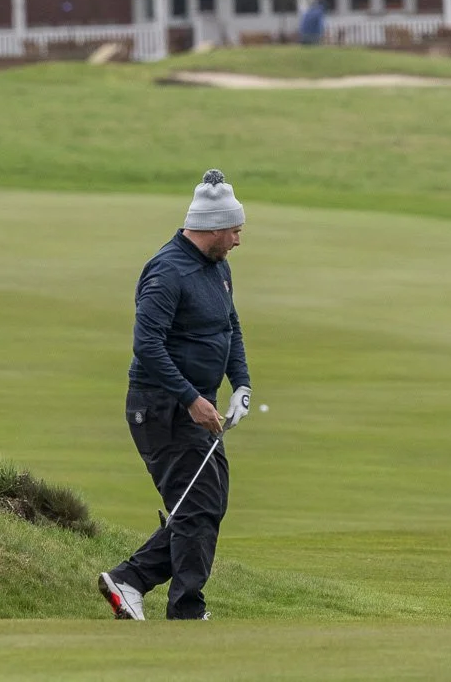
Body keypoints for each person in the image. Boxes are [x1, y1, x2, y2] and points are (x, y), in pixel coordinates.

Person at [98, 170, 253, 623]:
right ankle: (185, 610)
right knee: (198, 505)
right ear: (212, 228)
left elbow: (230, 326)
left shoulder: (217, 267)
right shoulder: (167, 271)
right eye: (235, 231)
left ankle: (130, 579)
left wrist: (240, 383)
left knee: (205, 505)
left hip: (195, 404)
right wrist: (190, 398)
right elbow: (147, 345)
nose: (239, 240)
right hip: (162, 406)